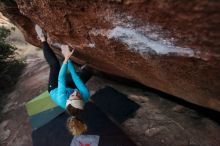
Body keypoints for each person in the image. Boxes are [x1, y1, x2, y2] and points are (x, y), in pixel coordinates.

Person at [35, 24, 92, 135]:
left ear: (68, 99)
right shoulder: (85, 94)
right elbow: (75, 78)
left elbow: (60, 78)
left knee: (55, 65)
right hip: (68, 87)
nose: (76, 93)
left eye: (73, 95)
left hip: (55, 88)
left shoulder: (62, 98)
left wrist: (65, 59)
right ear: (83, 99)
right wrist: (68, 58)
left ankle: (42, 39)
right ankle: (83, 70)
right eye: (78, 95)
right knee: (85, 74)